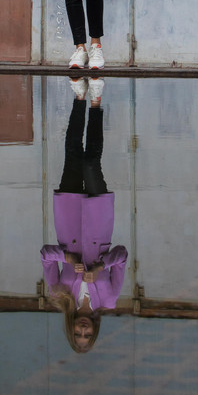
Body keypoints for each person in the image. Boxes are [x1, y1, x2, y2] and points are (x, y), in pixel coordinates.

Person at [40, 81, 128, 352]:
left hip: (68, 222)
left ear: (71, 329)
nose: (82, 330)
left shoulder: (59, 295)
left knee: (72, 154)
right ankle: (96, 102)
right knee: (91, 164)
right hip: (99, 223)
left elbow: (45, 255)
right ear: (93, 332)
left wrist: (66, 258)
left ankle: (79, 98)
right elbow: (122, 256)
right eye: (86, 335)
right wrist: (101, 267)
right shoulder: (109, 300)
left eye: (77, 334)